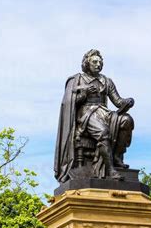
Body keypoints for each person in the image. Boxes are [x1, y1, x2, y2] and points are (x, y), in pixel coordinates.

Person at [54, 49, 135, 182]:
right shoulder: (77, 80)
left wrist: (128, 101)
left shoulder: (106, 81)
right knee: (103, 132)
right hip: (85, 114)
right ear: (87, 63)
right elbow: (68, 103)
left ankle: (116, 158)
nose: (98, 64)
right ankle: (110, 170)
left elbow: (118, 101)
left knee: (126, 120)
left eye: (100, 62)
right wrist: (83, 93)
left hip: (104, 112)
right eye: (95, 62)